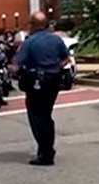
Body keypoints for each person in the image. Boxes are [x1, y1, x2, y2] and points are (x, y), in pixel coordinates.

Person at [14, 12, 70, 166]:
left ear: (33, 24)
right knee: (46, 115)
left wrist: (11, 70)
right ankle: (47, 149)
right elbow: (66, 59)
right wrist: (55, 68)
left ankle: (46, 153)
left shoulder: (30, 42)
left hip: (37, 83)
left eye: (29, 23)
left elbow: (16, 65)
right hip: (54, 82)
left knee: (37, 117)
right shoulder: (56, 39)